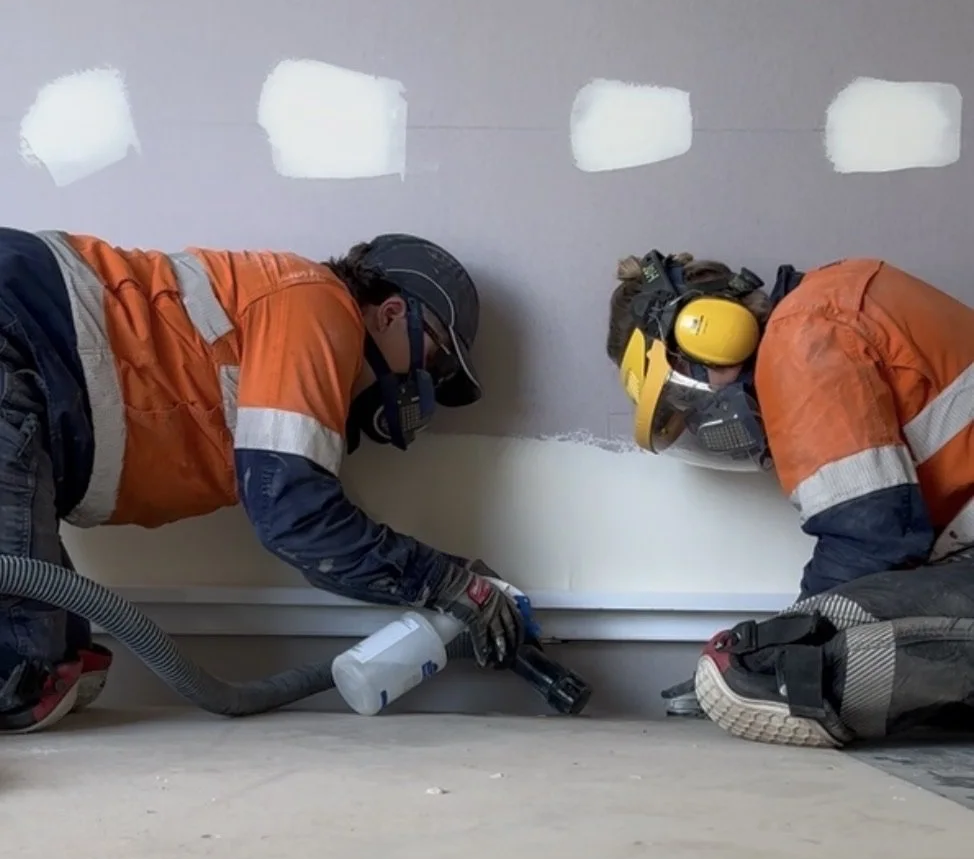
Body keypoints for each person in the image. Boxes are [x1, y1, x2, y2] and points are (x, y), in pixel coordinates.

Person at [0, 228, 526, 734]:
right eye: (434, 359)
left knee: (69, 674)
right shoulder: (319, 305)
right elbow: (297, 516)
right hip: (18, 330)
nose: (426, 383)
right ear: (390, 314)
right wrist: (448, 582)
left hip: (35, 373)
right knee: (20, 678)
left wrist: (448, 581)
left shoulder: (300, 327)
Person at [606, 249, 974, 744]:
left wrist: (776, 649)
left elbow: (871, 541)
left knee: (789, 669)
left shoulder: (802, 337)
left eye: (689, 394)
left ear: (710, 330)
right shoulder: (829, 300)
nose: (699, 415)